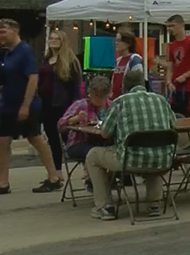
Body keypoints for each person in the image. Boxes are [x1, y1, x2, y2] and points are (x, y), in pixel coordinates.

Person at [85, 69, 176, 220]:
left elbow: (105, 134)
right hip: (164, 161)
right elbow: (174, 125)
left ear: (123, 87)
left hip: (130, 161)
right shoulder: (161, 100)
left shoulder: (119, 102)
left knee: (93, 155)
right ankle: (155, 204)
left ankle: (105, 207)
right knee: (154, 149)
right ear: (143, 84)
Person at [0, 19, 61, 195]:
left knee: (35, 138)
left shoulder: (24, 51)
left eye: (4, 31)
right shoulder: (7, 54)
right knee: (3, 141)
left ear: (15, 31)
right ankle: (3, 182)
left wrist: (26, 105)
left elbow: (33, 78)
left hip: (25, 104)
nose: (1, 35)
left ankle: (54, 176)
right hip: (7, 105)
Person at [36, 29, 83, 192]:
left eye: (57, 39)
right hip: (46, 104)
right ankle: (57, 173)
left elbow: (76, 86)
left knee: (68, 137)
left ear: (63, 41)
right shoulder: (46, 59)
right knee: (53, 140)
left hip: (63, 105)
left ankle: (87, 169)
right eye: (51, 38)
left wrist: (77, 107)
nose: (53, 41)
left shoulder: (70, 61)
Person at [58, 75, 112, 192]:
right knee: (95, 152)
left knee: (113, 150)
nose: (98, 99)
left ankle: (109, 179)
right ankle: (96, 181)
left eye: (102, 96)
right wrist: (75, 119)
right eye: (95, 95)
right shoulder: (81, 105)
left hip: (102, 141)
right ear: (90, 93)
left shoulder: (111, 107)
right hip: (78, 143)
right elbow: (60, 124)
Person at [164, 15, 190, 115]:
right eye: (168, 26)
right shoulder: (172, 45)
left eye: (172, 26)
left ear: (181, 25)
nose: (169, 29)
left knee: (188, 115)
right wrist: (169, 82)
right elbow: (170, 67)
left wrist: (185, 76)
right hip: (175, 87)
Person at [111, 30, 145, 100]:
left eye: (119, 41)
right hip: (116, 99)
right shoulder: (118, 60)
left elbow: (138, 80)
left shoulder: (135, 59)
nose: (116, 43)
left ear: (128, 43)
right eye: (116, 40)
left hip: (129, 98)